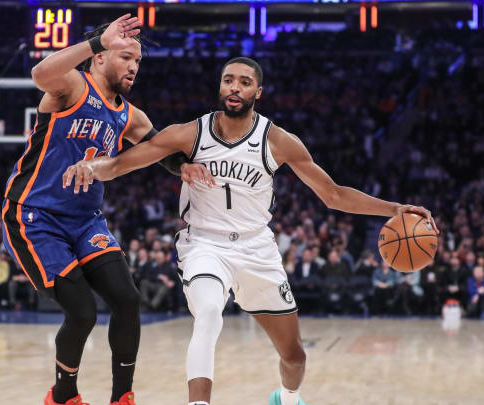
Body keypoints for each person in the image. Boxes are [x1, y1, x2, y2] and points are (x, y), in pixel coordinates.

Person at [63, 56, 438, 405]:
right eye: (228, 80)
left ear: (258, 92)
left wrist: (394, 208)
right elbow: (124, 163)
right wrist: (93, 167)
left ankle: (287, 398)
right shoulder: (190, 134)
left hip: (257, 250)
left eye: (244, 82)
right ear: (220, 87)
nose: (235, 87)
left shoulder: (277, 141)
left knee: (294, 355)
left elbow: (334, 194)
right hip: (204, 244)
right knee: (209, 313)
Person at [1, 15, 208, 405]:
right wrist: (98, 40)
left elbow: (158, 148)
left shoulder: (130, 115)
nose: (133, 66)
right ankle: (63, 396)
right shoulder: (73, 85)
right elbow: (40, 72)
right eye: (126, 56)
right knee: (81, 313)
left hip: (86, 221)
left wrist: (183, 166)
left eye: (138, 62)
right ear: (99, 58)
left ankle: (122, 397)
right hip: (35, 217)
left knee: (127, 301)